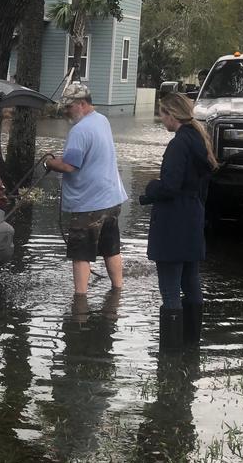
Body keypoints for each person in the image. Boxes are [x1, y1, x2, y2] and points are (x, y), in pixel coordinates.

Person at [139, 92, 217, 350]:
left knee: (170, 289)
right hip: (193, 218)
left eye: (162, 114)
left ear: (172, 115)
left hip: (173, 222)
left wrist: (150, 188)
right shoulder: (199, 140)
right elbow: (201, 186)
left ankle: (170, 355)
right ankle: (192, 347)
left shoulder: (178, 144)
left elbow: (170, 186)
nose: (162, 119)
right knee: (191, 283)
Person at [42, 82, 128, 294]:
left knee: (80, 255)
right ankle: (117, 291)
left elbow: (69, 166)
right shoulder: (102, 120)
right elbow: (87, 157)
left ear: (82, 104)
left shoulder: (79, 130)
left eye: (69, 106)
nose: (65, 111)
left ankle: (79, 301)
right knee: (111, 249)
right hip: (112, 199)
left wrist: (49, 163)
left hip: (88, 204)